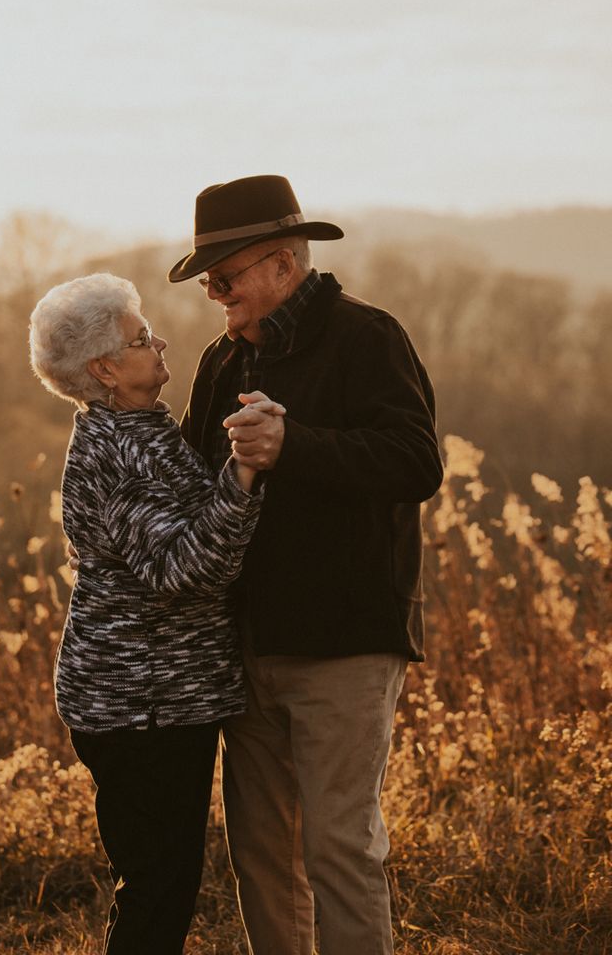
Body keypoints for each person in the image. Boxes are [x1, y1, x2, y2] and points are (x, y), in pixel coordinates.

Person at [168, 175, 444, 955]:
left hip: (347, 641)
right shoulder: (221, 362)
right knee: (261, 858)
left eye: (226, 273)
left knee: (338, 849)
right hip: (246, 648)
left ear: (285, 264)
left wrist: (296, 448)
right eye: (207, 277)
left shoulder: (367, 337)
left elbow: (416, 462)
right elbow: (195, 484)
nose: (213, 290)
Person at [28, 272, 283, 955]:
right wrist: (246, 475)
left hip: (157, 694)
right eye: (141, 339)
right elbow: (184, 570)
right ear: (105, 369)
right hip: (141, 702)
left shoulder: (137, 426)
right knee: (157, 888)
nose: (160, 341)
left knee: (159, 882)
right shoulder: (119, 450)